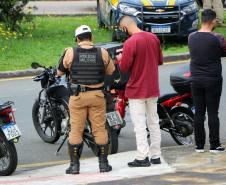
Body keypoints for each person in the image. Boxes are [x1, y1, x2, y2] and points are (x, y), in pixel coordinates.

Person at [57, 25, 115, 174]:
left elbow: (59, 72)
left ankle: (74, 166)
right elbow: (111, 71)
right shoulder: (102, 52)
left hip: (78, 97)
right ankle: (103, 165)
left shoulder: (70, 52)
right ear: (91, 38)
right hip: (97, 96)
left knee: (76, 129)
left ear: (77, 39)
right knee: (99, 129)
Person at [116, 16, 163, 167]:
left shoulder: (130, 42)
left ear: (124, 28)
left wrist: (120, 58)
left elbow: (124, 67)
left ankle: (142, 157)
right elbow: (159, 61)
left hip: (136, 89)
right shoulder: (153, 38)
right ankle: (156, 155)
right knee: (154, 122)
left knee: (139, 125)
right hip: (152, 88)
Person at [188, 9, 226, 153]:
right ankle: (215, 145)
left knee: (199, 112)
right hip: (213, 79)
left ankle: (199, 145)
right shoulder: (218, 38)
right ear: (212, 21)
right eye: (216, 20)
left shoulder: (191, 37)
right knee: (212, 112)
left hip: (195, 80)